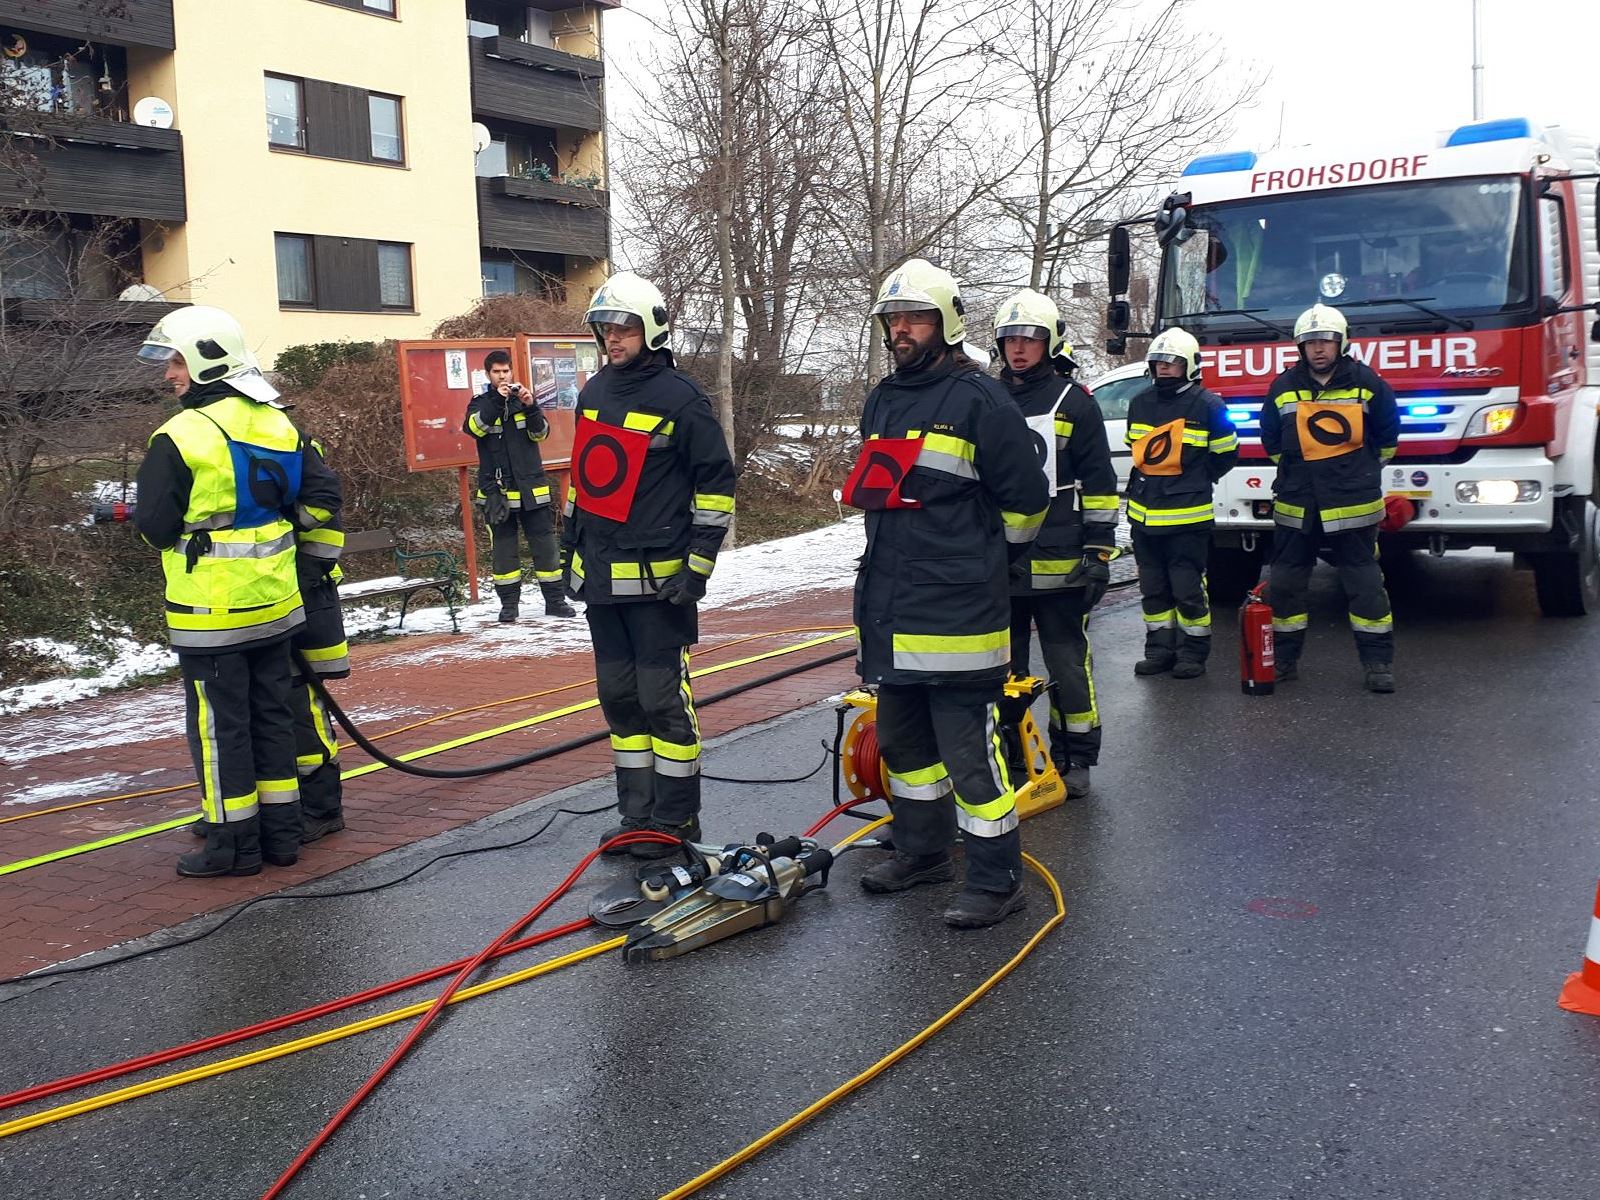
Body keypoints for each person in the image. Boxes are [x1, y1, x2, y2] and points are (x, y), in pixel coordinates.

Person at [848, 258, 1049, 929]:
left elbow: (1025, 503)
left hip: (961, 612)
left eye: (914, 318)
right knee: (905, 748)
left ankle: (997, 881)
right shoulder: (882, 398)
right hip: (894, 608)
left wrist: (989, 560)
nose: (901, 330)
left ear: (946, 323)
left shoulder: (981, 400)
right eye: (893, 319)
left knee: (971, 758)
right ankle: (925, 852)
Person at [134, 306, 341, 877]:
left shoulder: (181, 434)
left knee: (220, 728)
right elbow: (310, 501)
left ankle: (233, 847)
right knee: (274, 717)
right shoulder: (279, 423)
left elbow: (155, 525)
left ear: (203, 361)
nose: (168, 373)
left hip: (212, 610)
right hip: (276, 604)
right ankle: (281, 838)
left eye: (176, 360)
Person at [561, 271, 736, 860]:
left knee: (662, 698)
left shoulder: (681, 399)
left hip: (662, 585)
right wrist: (569, 546)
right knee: (619, 696)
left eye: (624, 328)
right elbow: (584, 480)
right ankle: (635, 816)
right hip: (604, 579)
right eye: (605, 329)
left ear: (651, 331)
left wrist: (699, 565)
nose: (613, 339)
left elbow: (716, 484)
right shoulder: (595, 393)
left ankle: (675, 821)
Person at [994, 288, 1119, 799]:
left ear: (1050, 344)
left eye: (1030, 339)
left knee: (1067, 664)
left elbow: (1100, 482)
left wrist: (1099, 552)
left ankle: (1076, 755)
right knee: (1004, 670)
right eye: (1010, 339)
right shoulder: (987, 397)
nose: (1019, 348)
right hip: (1001, 560)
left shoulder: (1074, 402)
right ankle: (1014, 753)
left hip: (1062, 559)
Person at [1260, 304, 1400, 692]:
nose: (1318, 349)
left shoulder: (1367, 383)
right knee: (1285, 584)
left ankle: (1377, 664)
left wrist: (1361, 472)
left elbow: (1387, 438)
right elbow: (1271, 438)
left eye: (1325, 342)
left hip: (1353, 502)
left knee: (1365, 586)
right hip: (1296, 503)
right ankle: (1285, 661)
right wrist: (1296, 472)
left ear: (1341, 343)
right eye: (1310, 343)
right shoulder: (1283, 386)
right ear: (1300, 348)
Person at [1124, 327, 1238, 678]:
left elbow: (1225, 454)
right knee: (1153, 591)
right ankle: (1159, 651)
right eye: (1158, 362)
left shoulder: (1208, 405)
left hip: (1188, 519)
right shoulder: (1140, 402)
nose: (1164, 368)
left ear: (1189, 365)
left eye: (1172, 362)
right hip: (1145, 516)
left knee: (1188, 591)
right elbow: (1137, 452)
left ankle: (1193, 654)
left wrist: (1194, 481)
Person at [464, 349, 574, 623]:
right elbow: (474, 429)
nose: (502, 376)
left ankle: (555, 601)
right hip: (497, 492)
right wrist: (495, 402)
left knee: (545, 547)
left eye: (506, 371)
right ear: (489, 375)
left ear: (512, 372)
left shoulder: (524, 402)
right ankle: (509, 606)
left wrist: (531, 405)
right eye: (497, 372)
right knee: (504, 551)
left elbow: (541, 433)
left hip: (532, 491)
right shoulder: (480, 404)